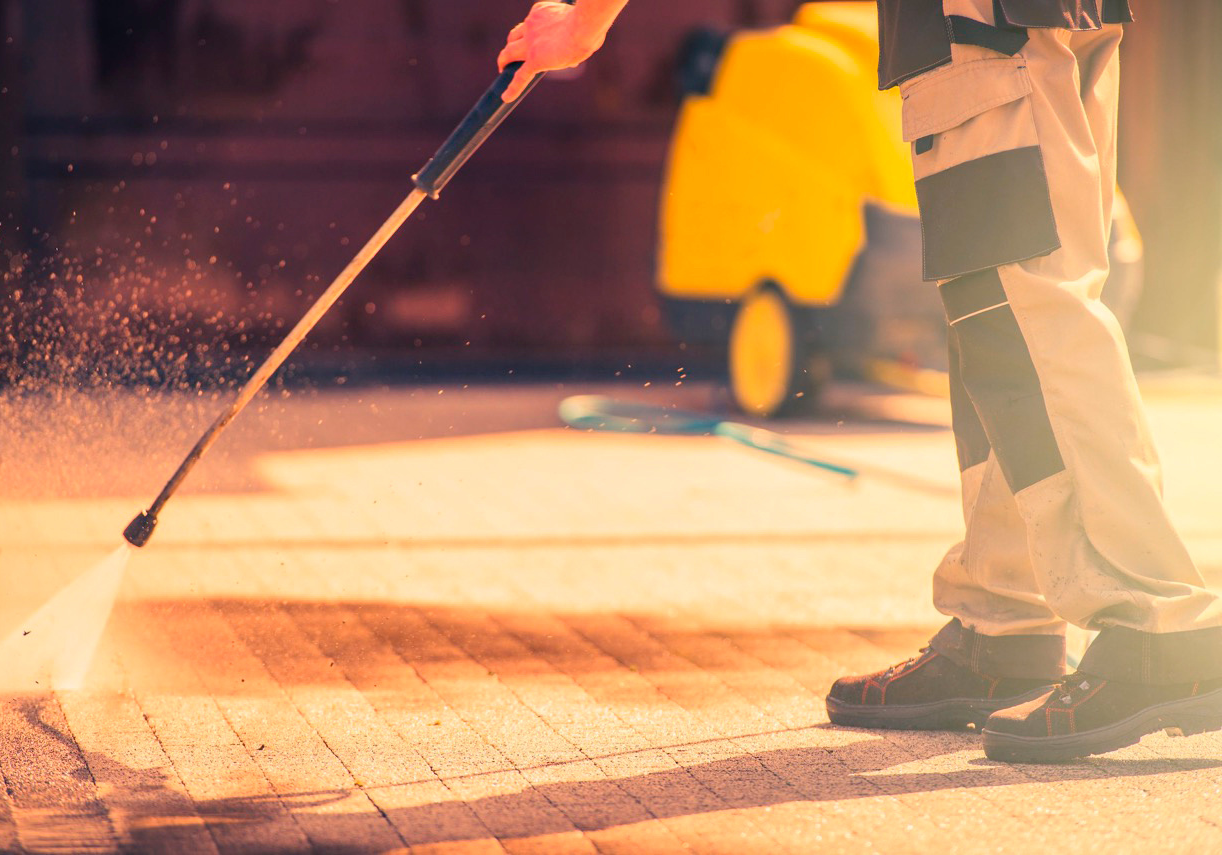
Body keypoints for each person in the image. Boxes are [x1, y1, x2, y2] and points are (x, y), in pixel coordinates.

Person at [498, 0, 1222, 764]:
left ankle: (1157, 623)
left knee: (1020, 301)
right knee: (997, 311)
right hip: (1030, 19)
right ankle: (1004, 619)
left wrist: (586, 18)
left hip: (982, 23)